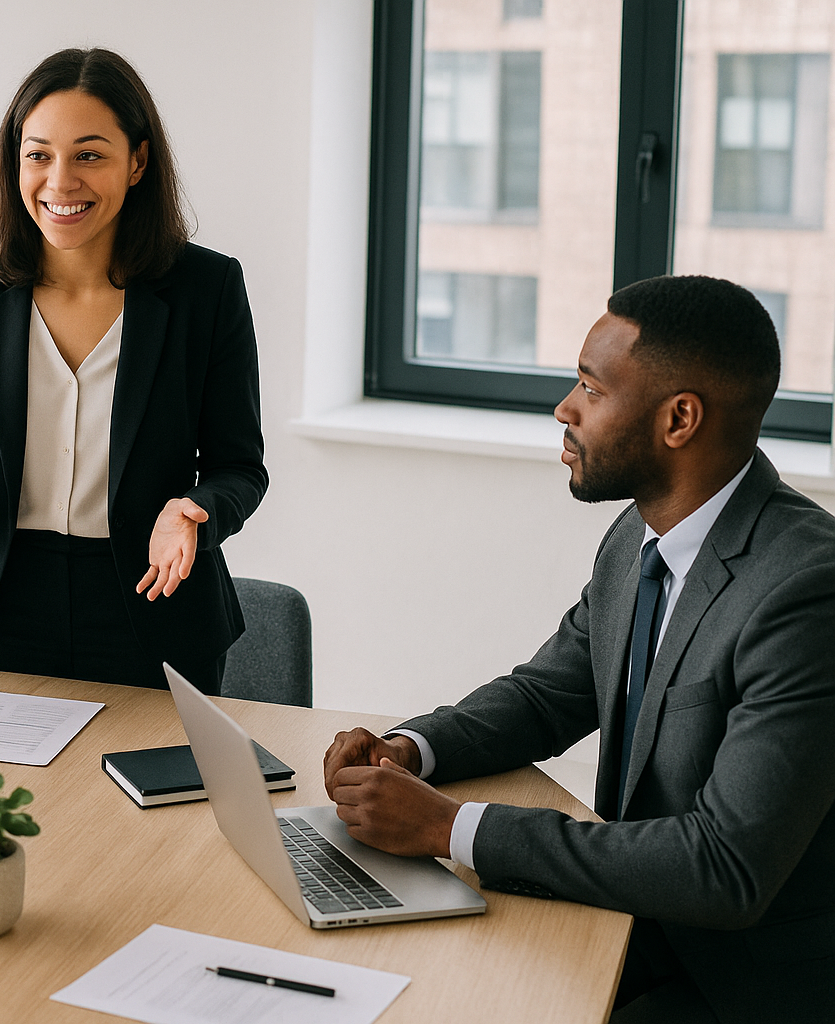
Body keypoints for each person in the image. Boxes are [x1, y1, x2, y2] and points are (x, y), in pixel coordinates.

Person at [323, 276, 835, 1023]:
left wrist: (449, 826)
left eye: (591, 390)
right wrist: (410, 750)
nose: (564, 409)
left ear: (679, 419)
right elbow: (547, 695)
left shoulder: (807, 591)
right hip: (625, 918)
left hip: (737, 986)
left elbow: (724, 868)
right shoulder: (639, 536)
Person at [0, 48, 267, 694]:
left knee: (156, 768)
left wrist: (194, 509)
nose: (60, 181)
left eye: (89, 155)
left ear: (137, 161)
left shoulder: (207, 289)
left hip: (154, 604)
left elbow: (239, 465)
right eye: (39, 155)